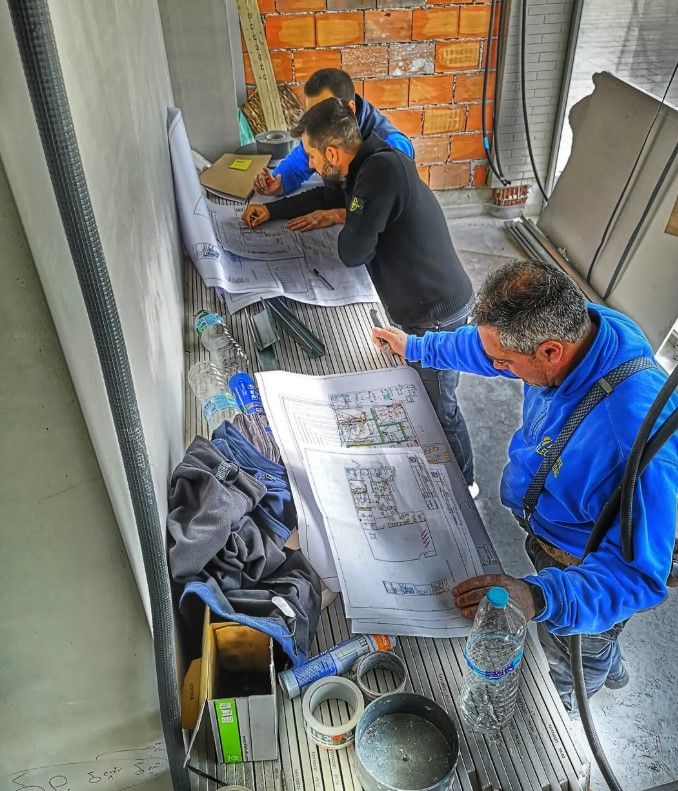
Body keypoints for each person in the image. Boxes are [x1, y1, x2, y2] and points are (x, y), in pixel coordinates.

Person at [372, 259, 678, 711]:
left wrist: (538, 594)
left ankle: (576, 696)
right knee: (598, 635)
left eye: (506, 363)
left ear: (550, 351)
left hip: (583, 562)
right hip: (552, 530)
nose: (498, 367)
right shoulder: (585, 329)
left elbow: (635, 575)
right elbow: (482, 349)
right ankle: (609, 656)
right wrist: (420, 348)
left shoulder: (629, 441)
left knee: (571, 651)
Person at [243, 98, 478, 493]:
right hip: (417, 309)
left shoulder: (382, 172)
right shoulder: (366, 162)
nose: (314, 167)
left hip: (437, 313)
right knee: (421, 393)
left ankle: (465, 487)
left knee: (440, 404)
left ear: (333, 151)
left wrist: (351, 213)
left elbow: (353, 252)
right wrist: (275, 210)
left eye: (314, 157)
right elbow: (327, 198)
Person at [254, 67, 414, 214]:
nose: (314, 124)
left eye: (322, 113)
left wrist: (340, 215)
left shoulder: (392, 146)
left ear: (350, 109)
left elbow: (388, 207)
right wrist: (278, 183)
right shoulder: (319, 131)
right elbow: (299, 165)